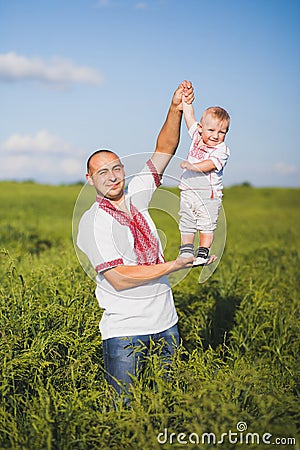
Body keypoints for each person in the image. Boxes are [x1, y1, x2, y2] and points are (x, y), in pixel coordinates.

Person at [77, 81, 214, 399]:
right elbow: (120, 278)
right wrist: (176, 265)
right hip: (125, 332)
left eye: (116, 168)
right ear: (90, 179)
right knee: (125, 411)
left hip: (167, 324)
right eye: (102, 173)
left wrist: (175, 107)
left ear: (123, 169)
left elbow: (165, 149)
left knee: (169, 404)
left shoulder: (137, 192)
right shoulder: (91, 222)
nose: (112, 177)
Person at [178, 94, 230, 266]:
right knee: (186, 220)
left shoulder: (222, 150)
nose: (216, 136)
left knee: (206, 224)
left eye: (222, 132)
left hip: (208, 195)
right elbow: (189, 117)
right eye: (211, 130)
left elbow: (210, 164)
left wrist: (192, 166)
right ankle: (186, 251)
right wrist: (186, 102)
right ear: (201, 128)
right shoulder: (196, 137)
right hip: (188, 190)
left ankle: (202, 253)